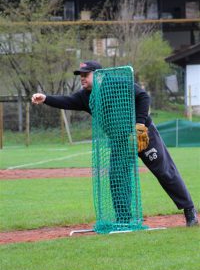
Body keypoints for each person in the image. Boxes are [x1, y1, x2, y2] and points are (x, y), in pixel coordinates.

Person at [32, 60, 199, 227]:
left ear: (98, 75)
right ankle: (124, 219)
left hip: (142, 135)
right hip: (120, 142)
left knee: (165, 172)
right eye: (80, 75)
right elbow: (66, 101)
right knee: (117, 176)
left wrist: (139, 125)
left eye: (86, 74)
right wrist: (45, 98)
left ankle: (189, 210)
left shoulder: (118, 83)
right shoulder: (85, 97)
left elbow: (143, 96)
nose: (82, 78)